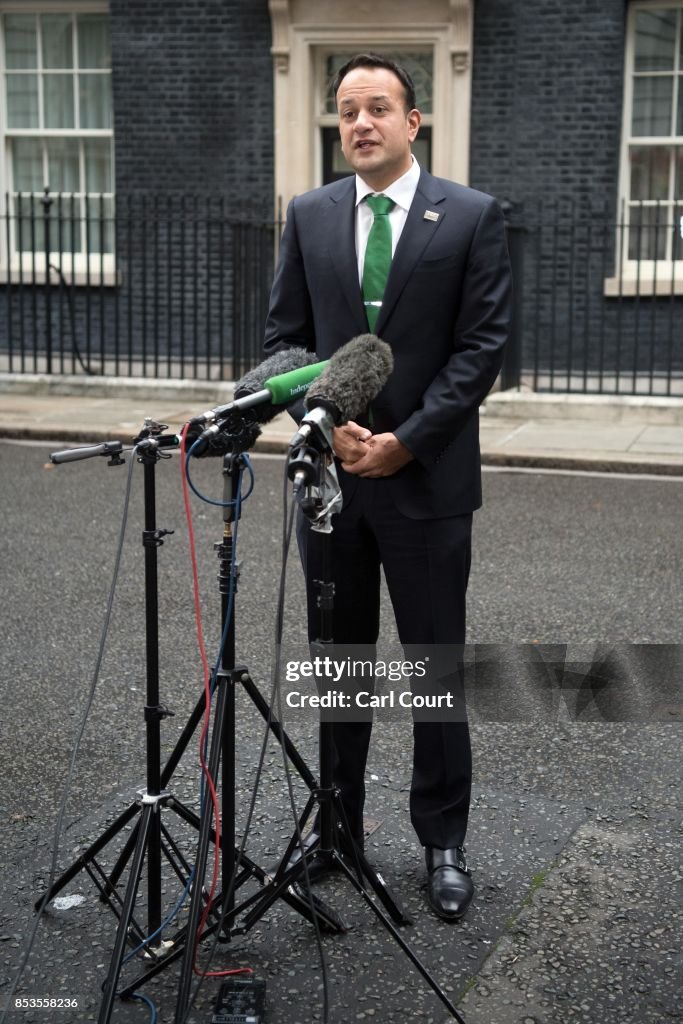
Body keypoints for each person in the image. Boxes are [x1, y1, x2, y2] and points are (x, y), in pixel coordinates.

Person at [264, 53, 511, 920]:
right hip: (334, 480)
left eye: (378, 108)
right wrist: (324, 422)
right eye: (346, 110)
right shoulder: (311, 214)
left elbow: (481, 351)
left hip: (426, 482)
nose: (359, 123)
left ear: (414, 122)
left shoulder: (471, 217)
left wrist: (405, 442)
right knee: (341, 668)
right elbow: (285, 343)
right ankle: (337, 832)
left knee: (434, 668)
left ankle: (442, 840)